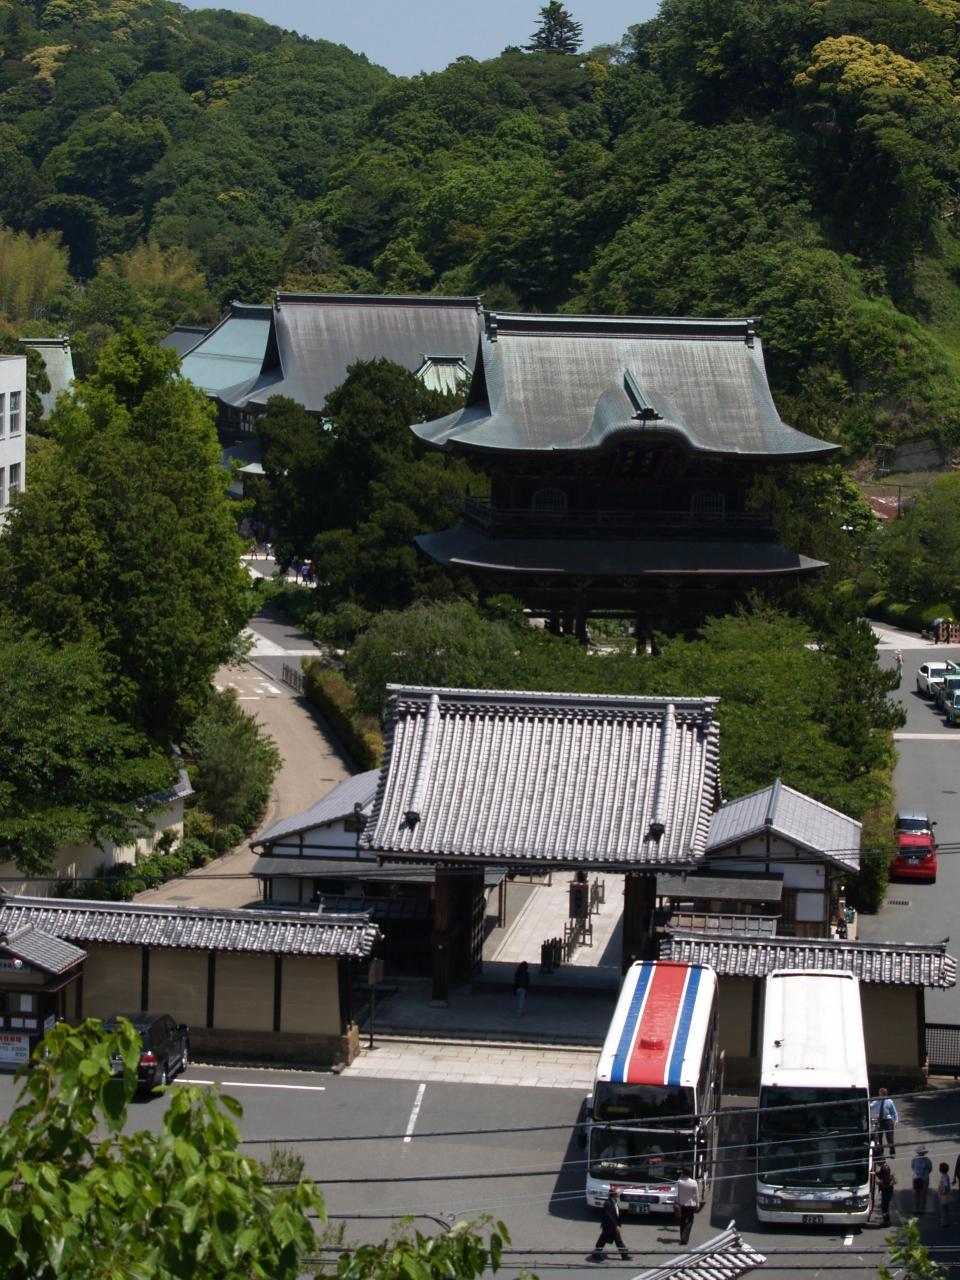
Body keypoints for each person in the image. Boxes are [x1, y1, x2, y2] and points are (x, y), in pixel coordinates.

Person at [593, 1188, 630, 1261]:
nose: (620, 1193)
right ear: (614, 1194)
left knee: (618, 1240)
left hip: (613, 1226)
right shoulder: (608, 1203)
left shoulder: (614, 1201)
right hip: (608, 1226)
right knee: (603, 1240)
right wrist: (616, 1226)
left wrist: (618, 1224)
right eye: (618, 1192)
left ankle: (624, 1255)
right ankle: (596, 1254)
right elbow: (609, 1216)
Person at [871, 1088, 899, 1156]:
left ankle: (892, 1152)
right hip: (879, 1120)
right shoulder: (876, 1101)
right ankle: (881, 1152)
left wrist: (896, 1120)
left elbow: (894, 1112)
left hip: (888, 1120)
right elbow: (870, 1106)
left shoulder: (889, 1101)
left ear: (884, 1095)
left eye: (881, 1094)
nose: (879, 1095)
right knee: (879, 1137)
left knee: (890, 1138)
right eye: (879, 1094)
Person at [675, 1168, 699, 1245]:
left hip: (681, 1204)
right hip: (691, 1205)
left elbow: (676, 1192)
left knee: (682, 1221)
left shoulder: (679, 1182)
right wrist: (697, 1203)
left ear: (683, 1173)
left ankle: (682, 1237)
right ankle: (684, 1238)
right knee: (689, 1222)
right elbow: (696, 1194)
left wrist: (676, 1202)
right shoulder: (693, 1182)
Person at [912, 1145, 933, 1215]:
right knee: (916, 1194)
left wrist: (925, 1174)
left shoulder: (927, 1160)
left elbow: (930, 1168)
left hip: (924, 1178)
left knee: (923, 1194)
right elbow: (913, 1167)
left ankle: (922, 1209)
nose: (921, 1153)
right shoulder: (914, 1159)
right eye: (920, 1152)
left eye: (922, 1152)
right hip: (916, 1178)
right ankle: (916, 1208)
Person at [876, 1159, 896, 1227]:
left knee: (884, 1207)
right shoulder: (885, 1168)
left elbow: (885, 1182)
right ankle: (886, 1221)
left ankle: (886, 1221)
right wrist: (875, 1173)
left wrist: (879, 1183)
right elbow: (880, 1175)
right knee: (885, 1207)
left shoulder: (884, 1169)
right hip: (887, 1191)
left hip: (887, 1192)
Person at [938, 1162, 952, 1227]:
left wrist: (943, 1192)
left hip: (944, 1194)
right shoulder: (945, 1176)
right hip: (945, 1194)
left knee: (943, 1209)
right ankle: (945, 1221)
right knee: (945, 1209)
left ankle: (944, 1222)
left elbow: (946, 1186)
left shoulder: (944, 1176)